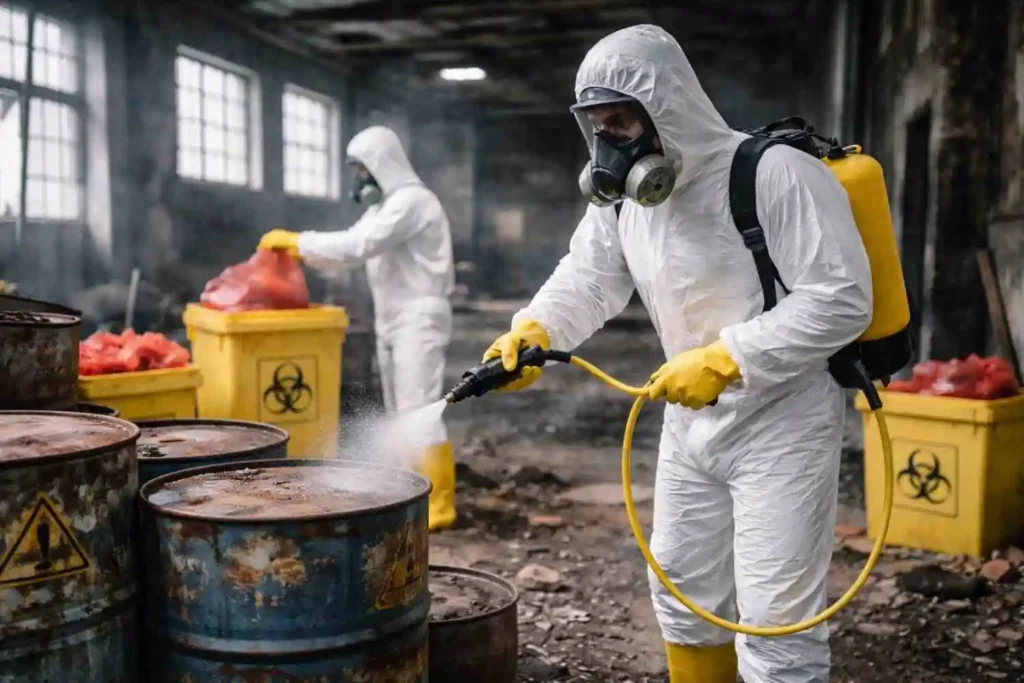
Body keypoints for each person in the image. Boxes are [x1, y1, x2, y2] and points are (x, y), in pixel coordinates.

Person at [483, 25, 872, 683]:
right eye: (597, 127)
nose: (609, 143)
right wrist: (536, 331)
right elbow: (590, 277)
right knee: (682, 589)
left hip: (783, 423)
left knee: (776, 621)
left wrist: (727, 358)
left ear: (667, 106)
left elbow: (842, 298)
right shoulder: (625, 202)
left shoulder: (774, 173)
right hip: (689, 422)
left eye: (621, 122)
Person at [260, 125, 457, 531]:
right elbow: (352, 242)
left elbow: (357, 246)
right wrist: (304, 253)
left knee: (419, 410)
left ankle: (440, 503)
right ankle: (413, 491)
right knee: (400, 411)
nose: (359, 179)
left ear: (382, 164)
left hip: (419, 316)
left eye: (363, 169)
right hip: (395, 317)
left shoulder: (413, 201)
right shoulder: (383, 208)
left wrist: (298, 241)